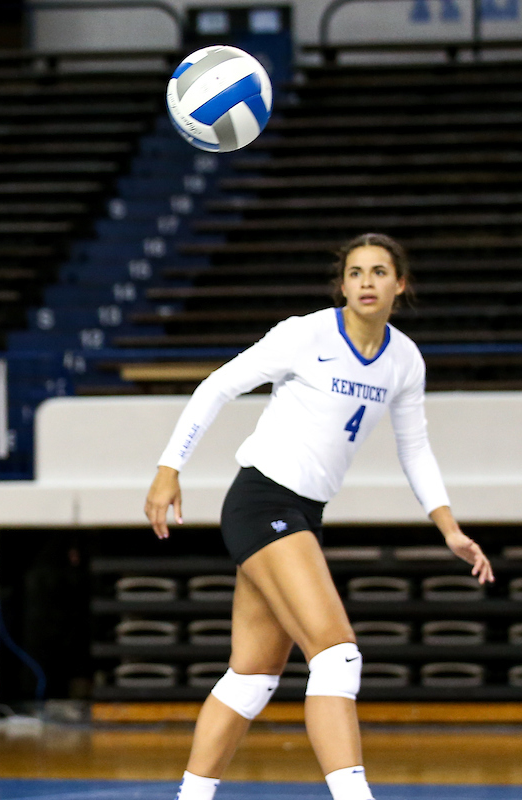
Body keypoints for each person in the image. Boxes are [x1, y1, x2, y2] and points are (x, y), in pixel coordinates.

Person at [144, 233, 495, 800]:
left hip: (304, 511)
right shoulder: (306, 333)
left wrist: (448, 527)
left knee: (253, 678)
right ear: (342, 283)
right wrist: (169, 468)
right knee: (338, 655)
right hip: (261, 501)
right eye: (355, 272)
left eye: (379, 272)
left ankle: (191, 796)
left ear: (399, 284)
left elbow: (416, 449)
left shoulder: (404, 358)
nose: (366, 282)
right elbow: (218, 386)